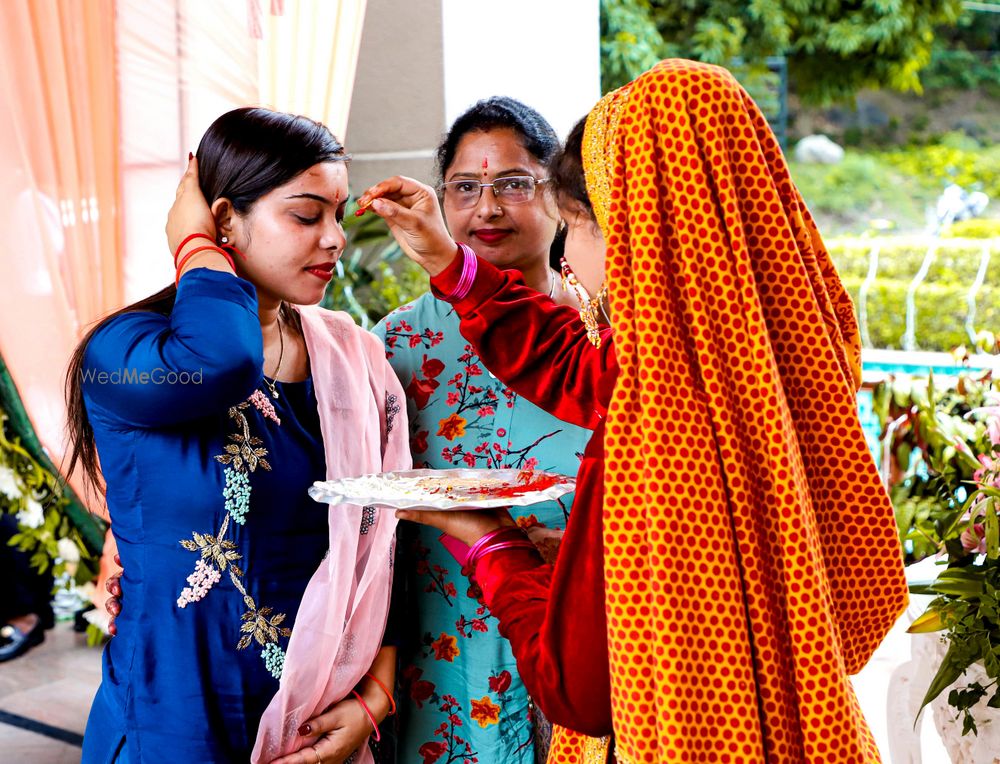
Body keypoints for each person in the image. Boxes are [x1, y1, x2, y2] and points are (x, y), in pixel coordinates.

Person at [356, 59, 909, 763]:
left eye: (577, 226)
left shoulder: (657, 427)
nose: (570, 258)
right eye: (466, 188)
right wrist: (450, 262)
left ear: (639, 229)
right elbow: (574, 366)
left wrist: (492, 543)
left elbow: (581, 692)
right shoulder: (776, 349)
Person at [66, 107, 408, 764]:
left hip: (324, 728)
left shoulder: (352, 362)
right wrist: (194, 246)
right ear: (223, 218)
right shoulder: (131, 352)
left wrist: (374, 698)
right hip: (177, 723)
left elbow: (384, 546)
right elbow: (221, 363)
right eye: (308, 216)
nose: (335, 239)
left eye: (339, 214)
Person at [370, 97, 593, 764]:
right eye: (466, 188)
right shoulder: (394, 347)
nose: (487, 209)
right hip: (437, 652)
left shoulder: (603, 340)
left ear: (555, 197)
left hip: (577, 646)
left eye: (513, 185)